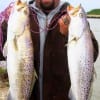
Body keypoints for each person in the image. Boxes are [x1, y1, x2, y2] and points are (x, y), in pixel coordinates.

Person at [0, 0, 99, 100]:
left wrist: (68, 33)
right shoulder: (22, 15)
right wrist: (5, 25)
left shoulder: (72, 17)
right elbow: (2, 53)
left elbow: (93, 54)